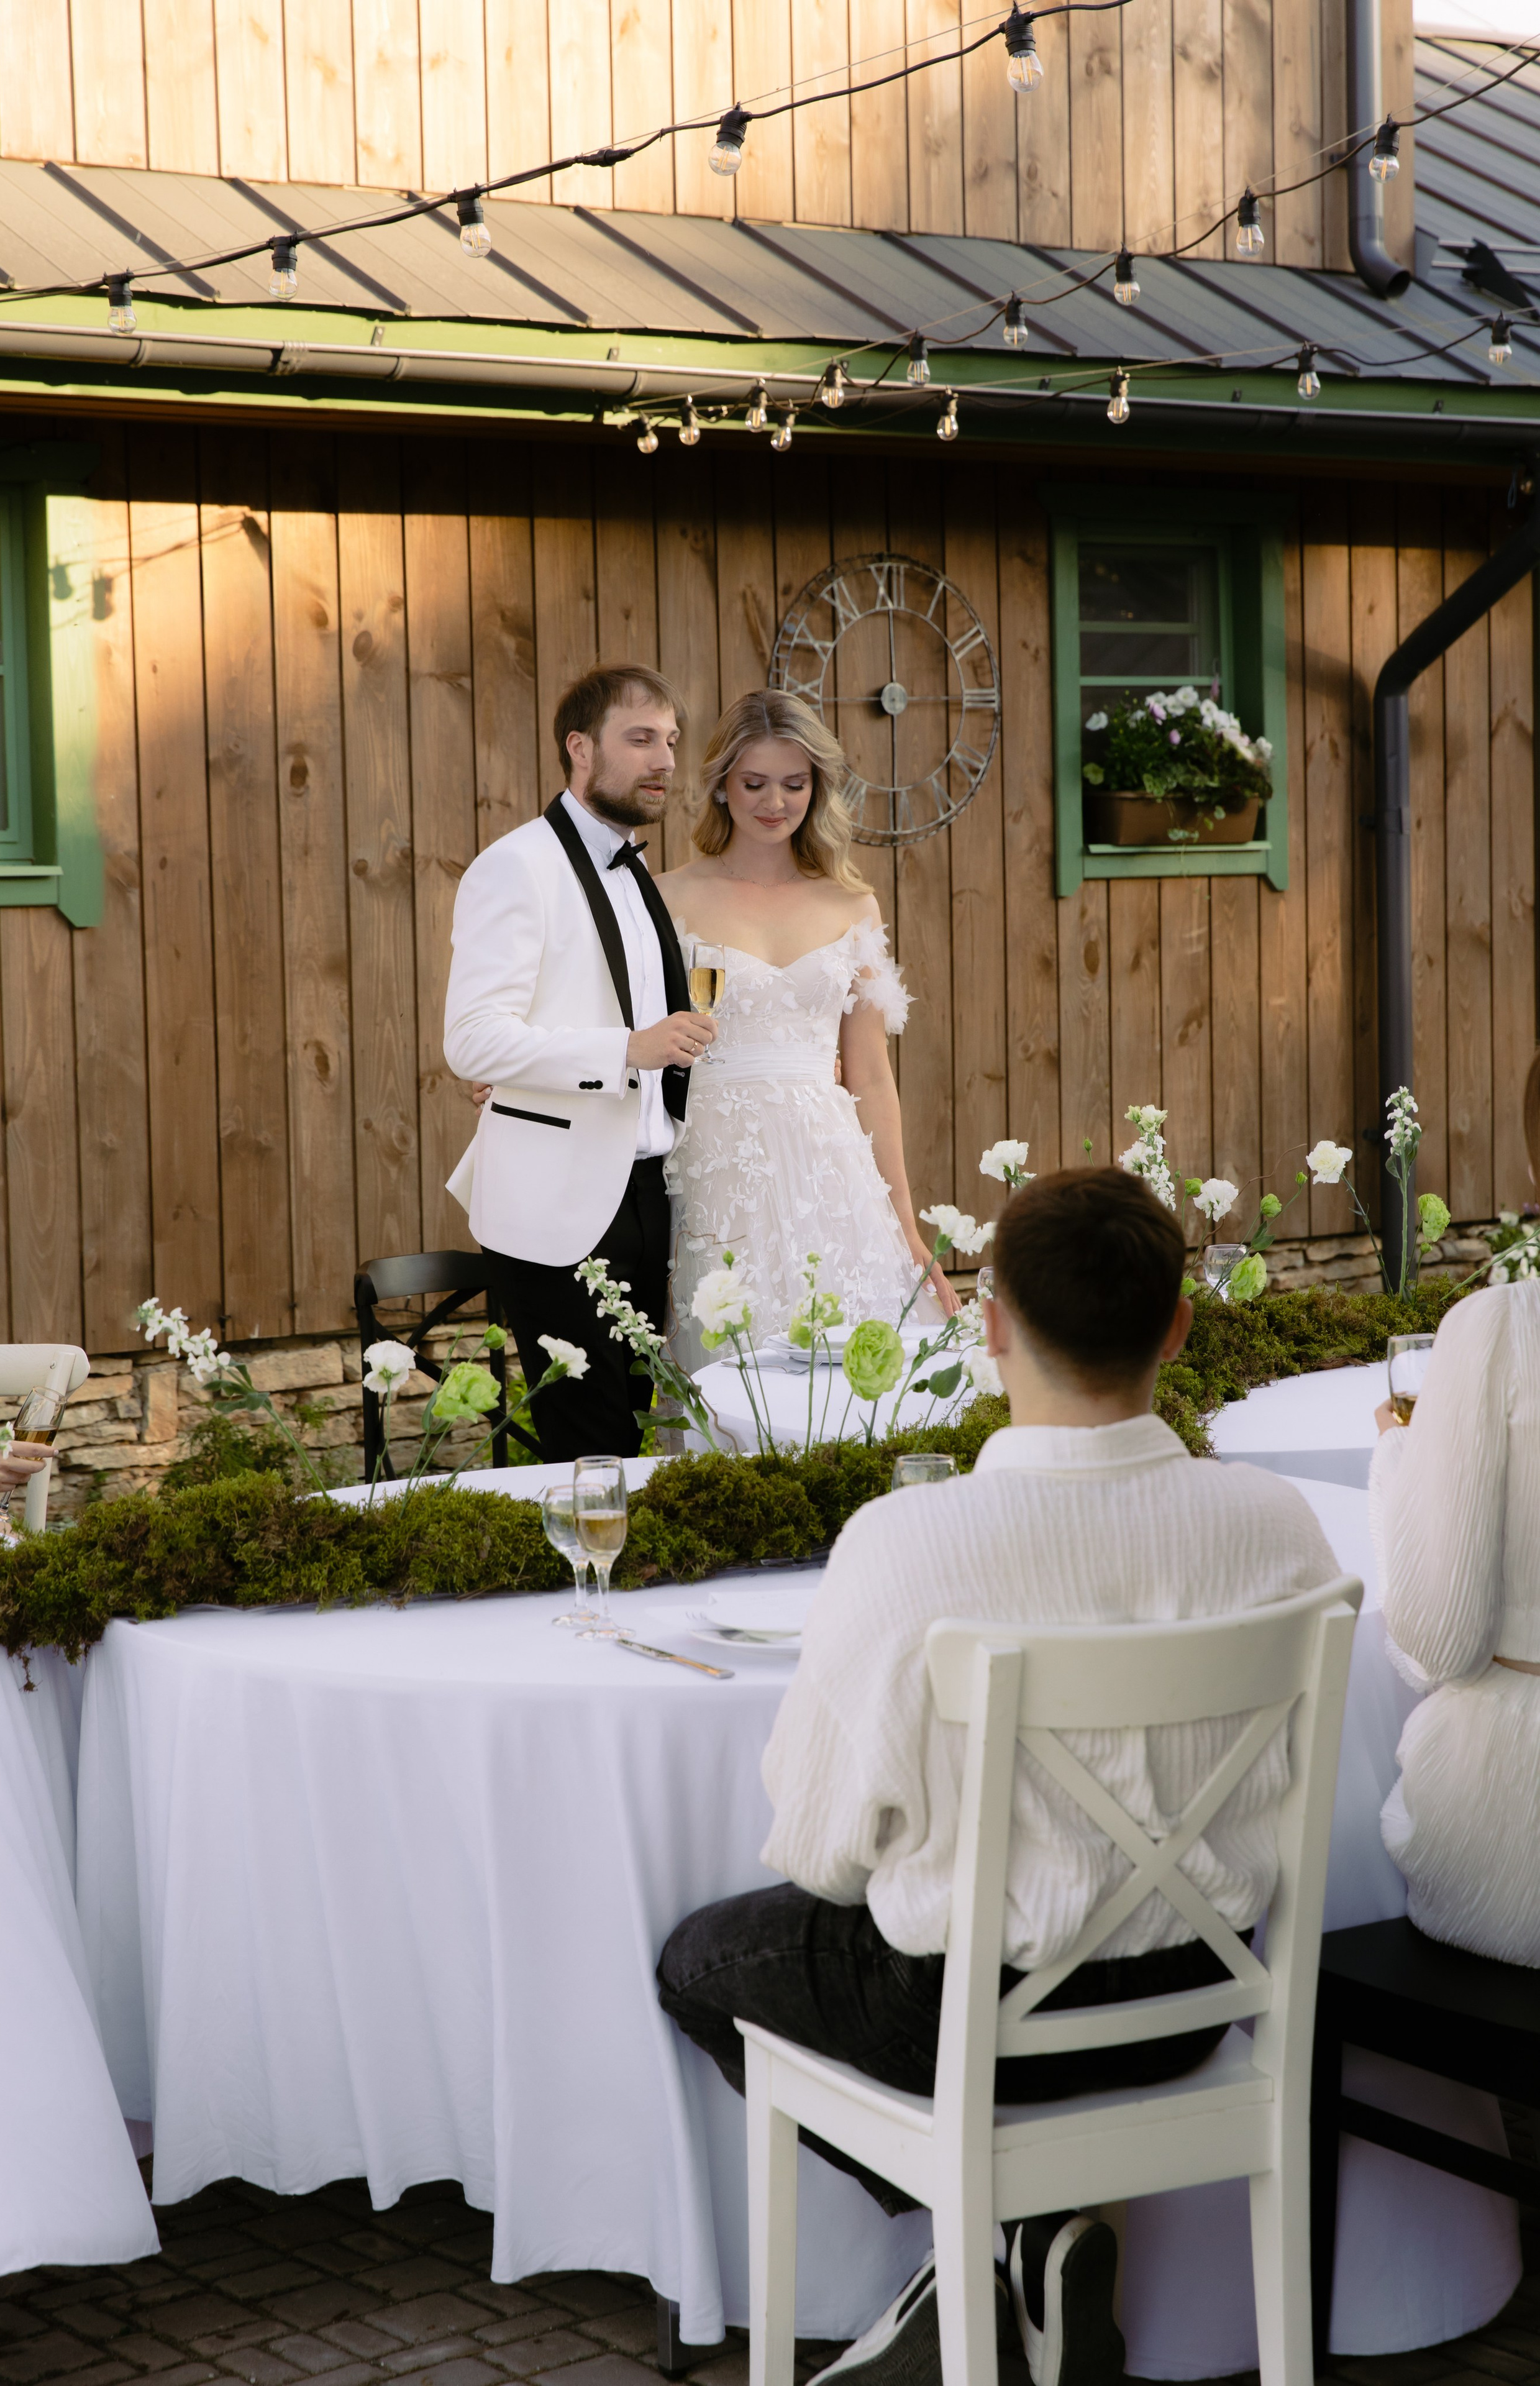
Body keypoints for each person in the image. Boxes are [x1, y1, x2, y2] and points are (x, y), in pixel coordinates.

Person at [657, 1167, 1341, 2386]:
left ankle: (986, 2241)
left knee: (698, 1962)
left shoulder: (905, 1546)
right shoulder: (1276, 1525)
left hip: (962, 2021)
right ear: (1178, 1327)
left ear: (987, 1328)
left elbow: (818, 1852)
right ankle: (1021, 2243)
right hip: (1195, 2008)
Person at [443, 665, 714, 1461]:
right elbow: (471, 1040)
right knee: (587, 1454)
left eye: (669, 740)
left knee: (629, 1437)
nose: (664, 759)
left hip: (645, 1196)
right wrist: (626, 1051)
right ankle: (592, 1586)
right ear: (579, 749)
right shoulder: (516, 866)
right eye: (639, 740)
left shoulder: (634, 875)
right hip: (557, 1211)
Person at [654, 689, 955, 1371]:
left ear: (816, 788)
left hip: (831, 1167)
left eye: (794, 784)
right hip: (717, 1166)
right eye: (754, 783)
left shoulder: (853, 905)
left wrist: (905, 1225)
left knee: (852, 1378)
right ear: (722, 787)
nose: (774, 802)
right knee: (736, 1368)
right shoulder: (667, 896)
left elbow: (871, 1071)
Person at [1370, 1047, 1540, 1963]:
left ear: (1531, 1163)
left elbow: (1437, 1641)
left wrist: (1401, 1458)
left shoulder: (1502, 1327)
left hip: (1514, 1852)